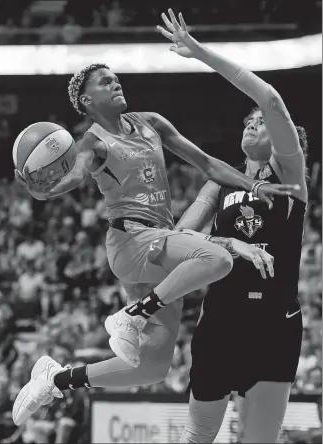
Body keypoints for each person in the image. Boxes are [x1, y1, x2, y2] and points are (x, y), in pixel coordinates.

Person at [13, 54, 297, 426]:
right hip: (131, 241)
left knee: (150, 369)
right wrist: (46, 193)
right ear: (86, 100)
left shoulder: (150, 123)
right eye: (105, 81)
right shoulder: (92, 143)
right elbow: (76, 176)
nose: (116, 83)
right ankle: (131, 315)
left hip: (159, 248)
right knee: (218, 259)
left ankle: (54, 379)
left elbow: (208, 164)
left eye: (116, 79)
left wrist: (255, 183)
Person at [157, 9, 308, 443]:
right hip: (221, 317)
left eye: (259, 123)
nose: (253, 123)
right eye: (248, 122)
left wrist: (201, 53)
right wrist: (230, 244)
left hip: (275, 323)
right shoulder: (218, 183)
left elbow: (271, 100)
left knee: (260, 440)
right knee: (198, 436)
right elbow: (181, 239)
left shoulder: (291, 179)